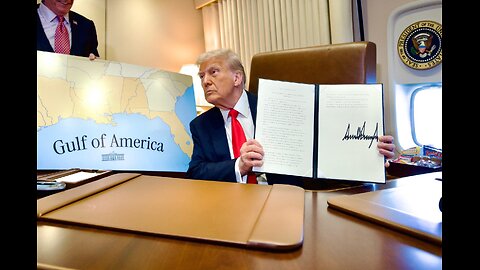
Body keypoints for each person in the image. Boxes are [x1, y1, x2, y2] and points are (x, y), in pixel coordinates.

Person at [186, 48, 396, 187]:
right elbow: (196, 173)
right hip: (230, 207)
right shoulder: (201, 125)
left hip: (284, 203)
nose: (205, 81)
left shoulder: (280, 108)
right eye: (202, 76)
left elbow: (321, 152)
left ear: (237, 78)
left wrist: (369, 156)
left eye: (213, 72)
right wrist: (239, 165)